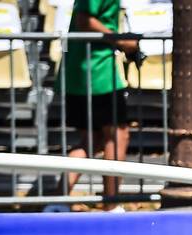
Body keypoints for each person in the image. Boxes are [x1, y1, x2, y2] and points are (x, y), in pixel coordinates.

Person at [58, 0, 140, 211]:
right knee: (118, 136)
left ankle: (57, 202)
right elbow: (85, 21)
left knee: (90, 140)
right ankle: (111, 204)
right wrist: (121, 42)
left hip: (81, 72)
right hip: (98, 73)